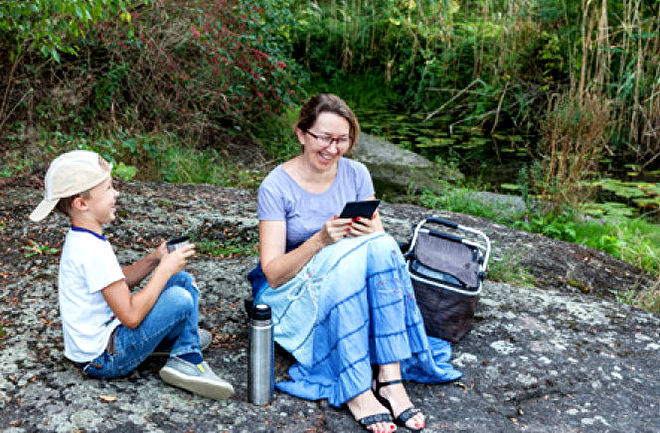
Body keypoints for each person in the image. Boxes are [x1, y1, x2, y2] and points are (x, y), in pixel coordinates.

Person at [249, 94, 461, 432]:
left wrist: (371, 230)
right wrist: (319, 240)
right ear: (302, 134)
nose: (332, 149)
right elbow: (273, 274)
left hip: (350, 279)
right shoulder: (276, 186)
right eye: (324, 137)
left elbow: (379, 246)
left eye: (342, 140)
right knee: (354, 255)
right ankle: (357, 387)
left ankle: (390, 379)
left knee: (383, 243)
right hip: (294, 289)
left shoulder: (357, 174)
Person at [29, 150, 234, 400]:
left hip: (111, 338)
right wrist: (163, 269)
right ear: (81, 204)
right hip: (104, 358)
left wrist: (152, 260)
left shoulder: (85, 238)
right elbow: (131, 316)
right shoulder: (90, 250)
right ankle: (186, 357)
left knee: (183, 281)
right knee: (180, 298)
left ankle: (175, 344)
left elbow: (115, 283)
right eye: (108, 188)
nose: (116, 193)